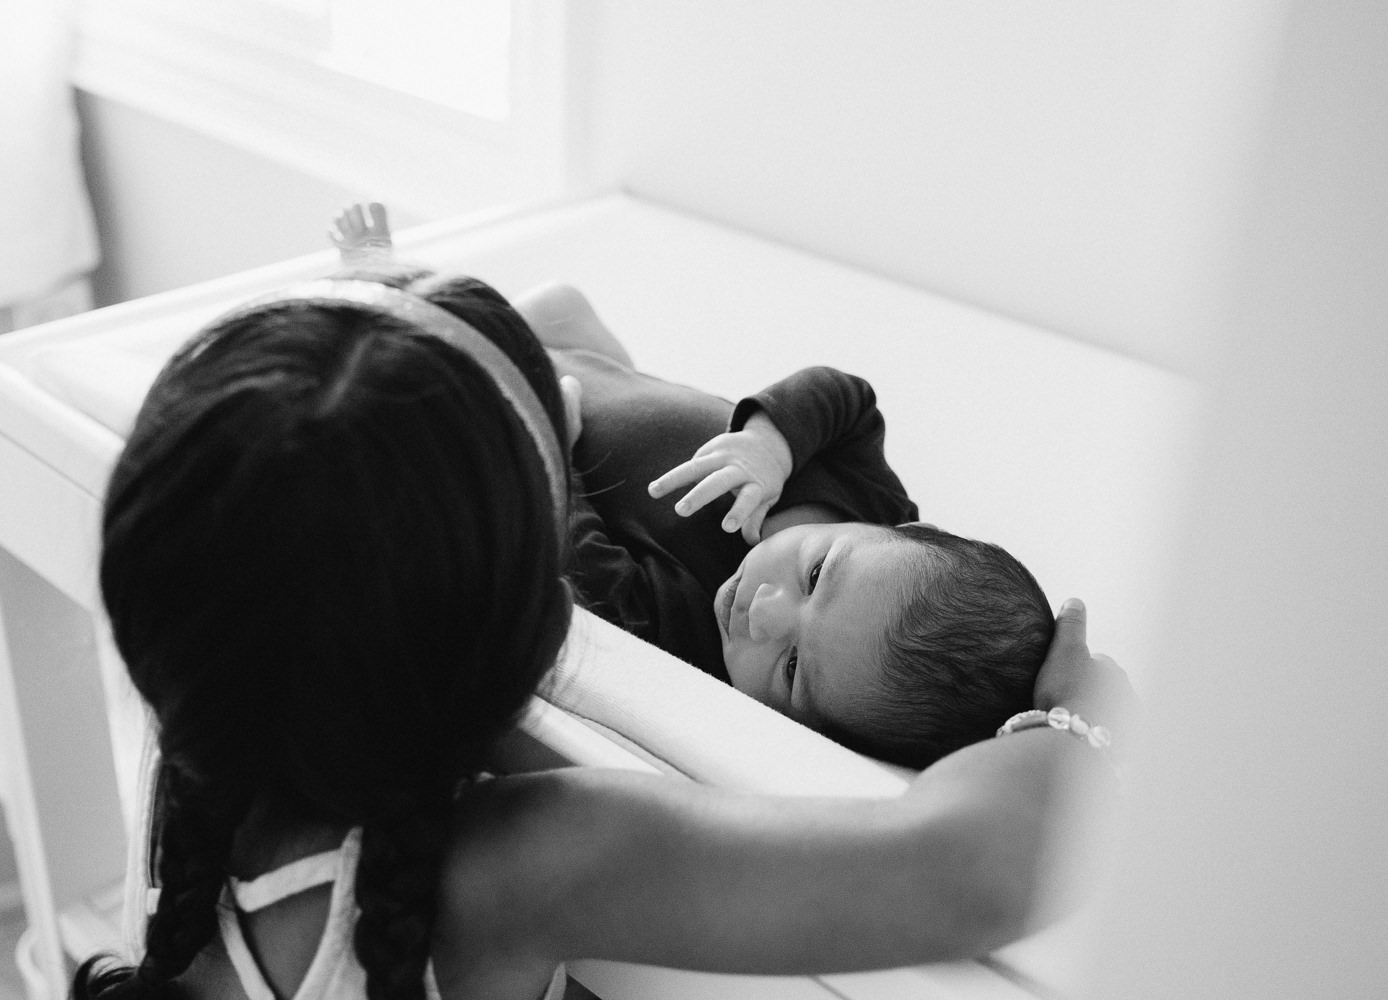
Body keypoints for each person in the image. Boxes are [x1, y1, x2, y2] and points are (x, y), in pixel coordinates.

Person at [73, 216, 1132, 1000]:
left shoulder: (200, 741)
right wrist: (1080, 717)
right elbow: (973, 872)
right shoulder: (525, 862)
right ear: (529, 619)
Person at [332, 204, 1053, 770]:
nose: (764, 614)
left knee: (446, 347)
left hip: (557, 409)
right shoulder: (871, 501)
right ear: (910, 533)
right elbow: (847, 400)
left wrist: (554, 439)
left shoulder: (690, 630)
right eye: (816, 573)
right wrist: (769, 443)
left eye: (794, 669)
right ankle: (570, 350)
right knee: (557, 302)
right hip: (612, 374)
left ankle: (376, 276)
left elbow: (589, 570)